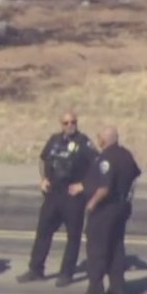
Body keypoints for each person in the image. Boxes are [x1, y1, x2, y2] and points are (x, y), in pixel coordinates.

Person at [17, 110, 98, 287]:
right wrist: (43, 179)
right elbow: (42, 159)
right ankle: (35, 269)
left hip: (72, 196)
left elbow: (97, 166)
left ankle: (66, 273)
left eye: (73, 122)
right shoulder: (54, 140)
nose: (70, 126)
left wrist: (83, 186)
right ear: (61, 124)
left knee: (73, 237)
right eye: (66, 123)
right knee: (43, 232)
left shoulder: (84, 142)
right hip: (53, 194)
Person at [83, 126, 141, 294]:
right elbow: (135, 176)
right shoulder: (126, 155)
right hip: (121, 207)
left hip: (105, 210)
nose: (98, 140)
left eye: (99, 137)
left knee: (97, 249)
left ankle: (95, 287)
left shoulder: (106, 159)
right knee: (116, 247)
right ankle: (118, 286)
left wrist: (91, 204)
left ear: (104, 139)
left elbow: (104, 188)